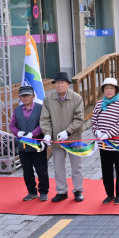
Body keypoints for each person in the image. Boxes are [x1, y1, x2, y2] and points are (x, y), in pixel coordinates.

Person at [40, 72, 85, 202]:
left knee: (76, 166)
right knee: (58, 166)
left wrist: (68, 131)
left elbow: (79, 118)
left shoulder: (77, 98)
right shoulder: (49, 98)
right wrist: (47, 133)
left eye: (62, 83)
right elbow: (45, 119)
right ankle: (61, 191)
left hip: (73, 139)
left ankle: (78, 190)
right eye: (57, 83)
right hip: (56, 139)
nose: (59, 85)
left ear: (68, 84)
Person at [90, 78, 119, 205]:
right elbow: (93, 122)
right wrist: (98, 133)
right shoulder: (99, 104)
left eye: (111, 88)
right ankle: (109, 194)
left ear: (116, 90)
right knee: (106, 171)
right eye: (106, 88)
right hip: (104, 145)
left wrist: (108, 134)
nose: (109, 91)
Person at [10, 86, 49, 201]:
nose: (25, 97)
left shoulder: (41, 108)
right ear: (19, 97)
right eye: (23, 95)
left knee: (41, 170)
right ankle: (32, 191)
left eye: (28, 95)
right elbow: (12, 126)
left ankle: (43, 191)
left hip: (37, 146)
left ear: (33, 96)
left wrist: (32, 134)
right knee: (27, 171)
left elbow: (44, 124)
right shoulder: (17, 110)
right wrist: (18, 133)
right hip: (23, 147)